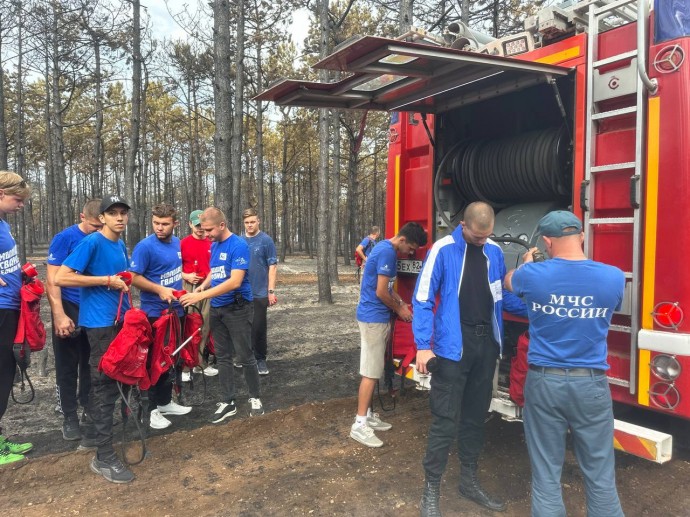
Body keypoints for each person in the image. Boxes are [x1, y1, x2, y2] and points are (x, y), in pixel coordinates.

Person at [504, 210, 625, 517]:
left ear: (546, 242)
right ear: (582, 236)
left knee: (546, 478)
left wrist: (528, 264)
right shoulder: (612, 276)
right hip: (592, 384)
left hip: (545, 383)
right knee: (600, 479)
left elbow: (509, 282)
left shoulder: (532, 276)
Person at [413, 201, 526, 516]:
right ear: (464, 225)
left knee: (476, 418)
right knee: (445, 420)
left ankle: (468, 481)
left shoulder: (494, 253)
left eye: (487, 236)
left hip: (485, 346)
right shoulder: (443, 250)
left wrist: (536, 308)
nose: (482, 241)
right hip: (452, 347)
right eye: (477, 236)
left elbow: (500, 299)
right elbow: (422, 298)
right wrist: (423, 344)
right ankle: (430, 491)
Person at [55, 194, 135, 483]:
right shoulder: (91, 242)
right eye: (112, 213)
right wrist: (105, 281)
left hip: (119, 322)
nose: (119, 217)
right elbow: (61, 277)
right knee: (103, 388)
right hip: (99, 326)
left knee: (118, 383)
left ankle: (96, 439)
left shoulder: (120, 243)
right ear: (101, 218)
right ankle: (103, 457)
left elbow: (120, 277)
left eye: (123, 212)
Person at [180, 207, 264, 423]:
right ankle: (228, 401)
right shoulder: (214, 245)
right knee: (223, 356)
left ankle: (255, 397)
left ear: (221, 225)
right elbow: (214, 272)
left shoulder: (238, 245)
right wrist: (202, 287)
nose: (205, 234)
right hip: (217, 309)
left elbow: (235, 281)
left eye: (209, 230)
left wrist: (201, 296)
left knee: (245, 355)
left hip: (238, 308)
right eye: (203, 230)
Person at [350, 222, 427, 448]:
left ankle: (369, 414)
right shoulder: (386, 252)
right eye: (411, 248)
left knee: (374, 369)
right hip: (373, 318)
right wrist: (399, 309)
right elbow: (381, 291)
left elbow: (389, 288)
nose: (411, 253)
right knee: (370, 372)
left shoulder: (387, 249)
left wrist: (402, 302)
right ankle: (359, 423)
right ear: (402, 240)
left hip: (377, 316)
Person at [130, 203, 192, 430]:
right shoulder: (144, 247)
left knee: (172, 359)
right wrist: (159, 290)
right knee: (153, 362)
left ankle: (165, 402)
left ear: (175, 224)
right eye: (156, 223)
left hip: (177, 311)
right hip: (155, 313)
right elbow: (134, 277)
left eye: (165, 224)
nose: (159, 228)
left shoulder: (177, 243)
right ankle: (150, 409)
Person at [46, 198, 103, 442]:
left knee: (91, 363)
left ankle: (89, 407)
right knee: (67, 366)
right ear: (82, 218)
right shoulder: (65, 238)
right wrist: (59, 314)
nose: (97, 232)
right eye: (93, 226)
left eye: (101, 227)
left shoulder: (108, 239)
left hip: (94, 308)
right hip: (69, 306)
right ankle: (69, 415)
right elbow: (51, 280)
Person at [0, 171, 33, 466]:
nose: (20, 205)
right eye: (17, 199)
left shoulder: (3, 224)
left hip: (10, 307)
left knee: (6, 373)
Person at [180, 209, 217, 379]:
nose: (200, 229)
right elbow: (174, 267)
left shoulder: (212, 243)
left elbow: (215, 267)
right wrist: (186, 275)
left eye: (202, 225)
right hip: (189, 287)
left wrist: (205, 284)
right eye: (196, 225)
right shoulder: (183, 244)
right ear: (190, 224)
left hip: (208, 287)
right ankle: (186, 366)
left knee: (205, 325)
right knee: (189, 325)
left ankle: (200, 363)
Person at [242, 208, 277, 375]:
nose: (250, 225)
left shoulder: (266, 241)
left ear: (258, 221)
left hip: (260, 292)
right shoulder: (240, 241)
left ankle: (261, 359)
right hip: (241, 292)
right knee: (243, 327)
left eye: (252, 222)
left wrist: (271, 291)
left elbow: (273, 266)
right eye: (247, 222)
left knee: (259, 327)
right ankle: (245, 358)